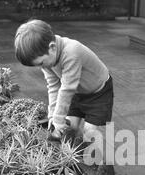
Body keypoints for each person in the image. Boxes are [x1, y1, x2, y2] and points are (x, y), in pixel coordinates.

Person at [14, 19, 113, 158]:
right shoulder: (47, 60)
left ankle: (92, 160)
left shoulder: (71, 52)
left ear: (52, 47)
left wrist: (58, 119)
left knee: (89, 132)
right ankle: (71, 155)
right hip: (77, 92)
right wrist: (52, 117)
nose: (41, 68)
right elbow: (54, 87)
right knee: (69, 127)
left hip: (98, 93)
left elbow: (66, 89)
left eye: (41, 63)